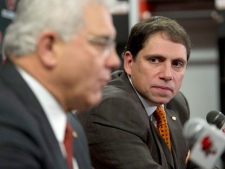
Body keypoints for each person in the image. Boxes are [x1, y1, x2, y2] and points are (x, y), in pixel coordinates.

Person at [0, 0, 120, 168]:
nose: (114, 61)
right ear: (49, 47)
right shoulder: (7, 127)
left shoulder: (71, 129)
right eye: (101, 43)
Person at [78, 16, 199, 169]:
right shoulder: (111, 108)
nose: (167, 75)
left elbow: (192, 165)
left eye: (177, 64)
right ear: (129, 63)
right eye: (155, 60)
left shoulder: (176, 103)